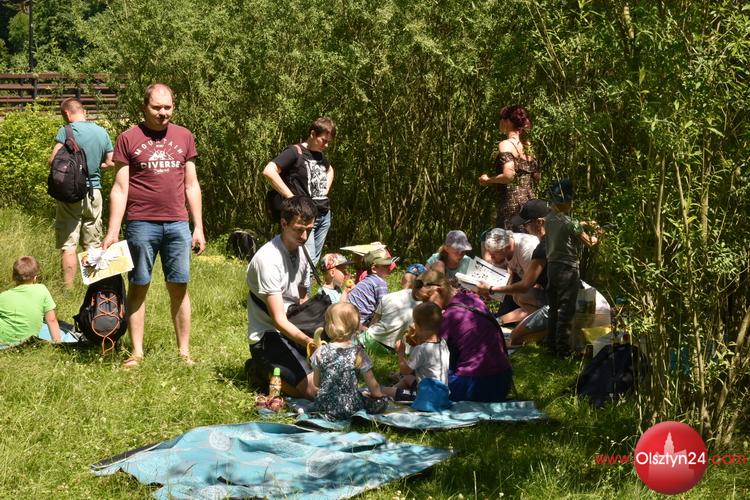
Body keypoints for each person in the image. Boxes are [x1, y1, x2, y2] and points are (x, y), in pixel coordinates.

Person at [102, 83, 206, 367]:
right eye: (157, 107)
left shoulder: (184, 136)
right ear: (144, 107)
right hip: (141, 224)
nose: (163, 113)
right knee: (138, 286)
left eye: (168, 107)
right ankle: (136, 352)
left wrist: (198, 226)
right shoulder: (128, 138)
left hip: (177, 224)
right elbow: (120, 188)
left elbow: (192, 185)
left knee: (179, 287)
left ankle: (184, 353)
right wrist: (113, 232)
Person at [245, 195, 318, 399]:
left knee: (333, 376)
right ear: (284, 223)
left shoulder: (303, 252)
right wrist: (310, 343)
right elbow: (278, 320)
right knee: (312, 392)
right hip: (268, 335)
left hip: (294, 327)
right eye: (299, 229)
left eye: (309, 230)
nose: (304, 236)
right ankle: (259, 369)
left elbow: (302, 301)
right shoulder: (268, 259)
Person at [414, 270, 512, 402]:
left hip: (474, 386)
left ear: (439, 290)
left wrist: (418, 337)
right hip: (503, 382)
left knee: (425, 378)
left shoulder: (450, 317)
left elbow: (430, 355)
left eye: (426, 299)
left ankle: (406, 392)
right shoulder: (472, 298)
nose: (425, 305)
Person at [49, 98, 114, 288]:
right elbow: (110, 162)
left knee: (69, 244)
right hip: (95, 192)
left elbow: (53, 161)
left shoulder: (66, 131)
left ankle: (68, 289)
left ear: (67, 114)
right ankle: (94, 289)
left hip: (71, 193)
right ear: (84, 111)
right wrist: (94, 167)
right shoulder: (102, 131)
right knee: (93, 244)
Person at [263, 117, 336, 270]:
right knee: (306, 263)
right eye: (324, 140)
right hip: (304, 217)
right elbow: (269, 171)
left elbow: (330, 170)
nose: (326, 145)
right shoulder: (295, 152)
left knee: (312, 262)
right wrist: (291, 197)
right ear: (313, 134)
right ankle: (295, 285)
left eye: (329, 142)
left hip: (323, 214)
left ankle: (301, 285)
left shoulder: (320, 156)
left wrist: (324, 191)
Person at [543, 179, 602, 357]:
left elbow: (565, 224)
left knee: (553, 308)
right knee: (566, 310)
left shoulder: (548, 219)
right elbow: (589, 242)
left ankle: (550, 345)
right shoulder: (571, 223)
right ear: (566, 201)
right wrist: (599, 234)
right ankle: (564, 350)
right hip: (567, 269)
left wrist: (583, 223)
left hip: (552, 267)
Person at [309, 303, 387, 420]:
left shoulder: (320, 351)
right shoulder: (358, 353)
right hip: (351, 408)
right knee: (376, 400)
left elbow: (317, 383)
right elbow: (374, 388)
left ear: (330, 326)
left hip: (324, 407)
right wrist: (380, 398)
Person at [478, 105, 540, 229]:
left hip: (512, 209)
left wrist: (488, 180)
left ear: (507, 122)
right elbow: (537, 177)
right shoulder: (528, 147)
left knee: (509, 240)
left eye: (501, 119)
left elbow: (509, 175)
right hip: (530, 207)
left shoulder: (506, 144)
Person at [382, 302, 449, 400]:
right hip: (441, 393)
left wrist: (400, 353)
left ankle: (390, 395)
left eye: (414, 322)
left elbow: (405, 371)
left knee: (383, 390)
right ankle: (394, 394)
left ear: (419, 327)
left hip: (426, 397)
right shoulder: (443, 343)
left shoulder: (421, 349)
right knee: (408, 379)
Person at [481, 227, 541, 324]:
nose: (491, 257)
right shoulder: (505, 249)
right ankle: (498, 321)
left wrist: (491, 289)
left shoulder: (527, 249)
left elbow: (529, 286)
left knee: (520, 296)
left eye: (494, 254)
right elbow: (510, 270)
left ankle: (499, 322)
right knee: (514, 296)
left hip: (542, 289)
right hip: (524, 285)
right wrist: (489, 293)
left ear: (506, 248)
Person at [358, 266, 423, 353]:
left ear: (402, 280)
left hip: (373, 340)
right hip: (400, 349)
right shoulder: (423, 304)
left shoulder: (388, 297)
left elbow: (374, 322)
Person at [0, 256, 60, 348]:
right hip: (29, 342)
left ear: (13, 277)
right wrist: (57, 344)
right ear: (35, 277)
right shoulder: (42, 290)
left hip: (4, 342)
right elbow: (51, 320)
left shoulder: (3, 296)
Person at [347, 248, 399, 326]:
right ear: (374, 269)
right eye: (386, 265)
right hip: (362, 322)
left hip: (350, 318)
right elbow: (383, 306)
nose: (389, 267)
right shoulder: (379, 283)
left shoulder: (366, 281)